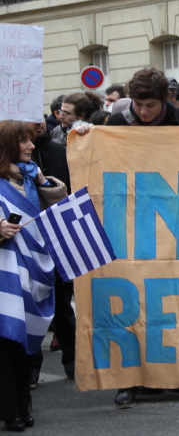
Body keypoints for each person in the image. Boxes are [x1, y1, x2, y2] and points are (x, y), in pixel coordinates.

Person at [78, 67, 179, 408]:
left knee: (178, 302)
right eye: (137, 104)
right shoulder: (119, 123)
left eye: (149, 105)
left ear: (164, 100)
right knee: (132, 304)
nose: (143, 111)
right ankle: (129, 380)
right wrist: (85, 135)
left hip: (176, 226)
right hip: (131, 226)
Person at [0, 120, 68, 431]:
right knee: (7, 339)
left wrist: (41, 180)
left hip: (36, 270)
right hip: (5, 274)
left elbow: (59, 208)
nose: (30, 147)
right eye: (24, 142)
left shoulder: (31, 177)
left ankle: (24, 407)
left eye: (30, 141)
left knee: (28, 339)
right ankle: (10, 409)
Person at [29, 120, 75, 387]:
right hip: (27, 242)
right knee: (32, 308)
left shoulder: (59, 152)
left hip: (58, 238)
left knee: (62, 305)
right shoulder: (7, 158)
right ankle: (32, 368)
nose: (37, 124)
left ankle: (72, 360)